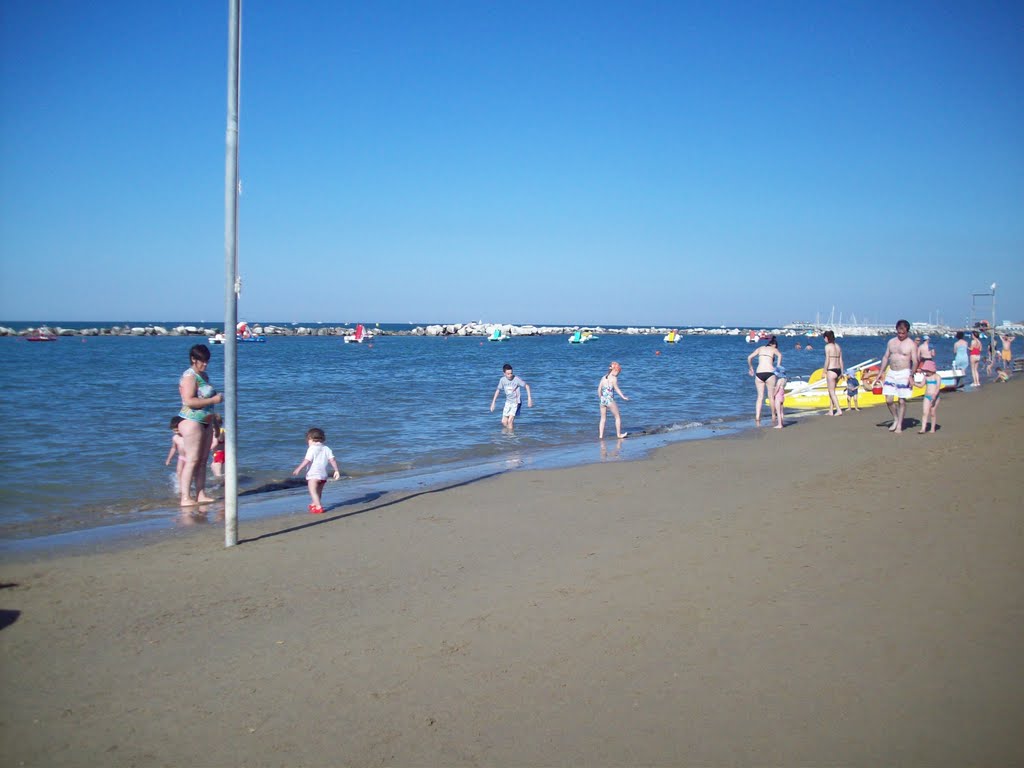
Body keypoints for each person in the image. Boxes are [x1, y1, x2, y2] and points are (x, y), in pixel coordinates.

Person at [177, 344, 223, 505]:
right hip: (192, 421)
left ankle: (200, 493)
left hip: (206, 421)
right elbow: (189, 400)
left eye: (207, 361)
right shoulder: (189, 377)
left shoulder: (204, 376)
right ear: (193, 359)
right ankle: (185, 497)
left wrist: (216, 426)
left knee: (203, 460)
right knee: (192, 460)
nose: (205, 364)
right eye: (202, 361)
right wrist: (213, 399)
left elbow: (209, 406)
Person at [878, 319, 919, 433]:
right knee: (889, 399)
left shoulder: (911, 344)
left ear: (907, 332)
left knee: (901, 400)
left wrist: (911, 375)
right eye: (899, 333)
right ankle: (895, 419)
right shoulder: (891, 342)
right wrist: (881, 371)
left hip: (904, 372)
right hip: (891, 371)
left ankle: (900, 425)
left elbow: (915, 361)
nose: (901, 335)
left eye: (903, 333)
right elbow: (886, 357)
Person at [292, 427, 341, 514]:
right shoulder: (326, 448)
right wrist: (336, 470)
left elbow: (307, 460)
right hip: (323, 475)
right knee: (318, 491)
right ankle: (314, 503)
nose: (308, 442)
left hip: (313, 475)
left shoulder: (312, 448)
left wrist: (299, 468)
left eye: (308, 440)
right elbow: (332, 460)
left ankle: (318, 506)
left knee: (313, 491)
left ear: (310, 439)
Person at [746, 335, 781, 425]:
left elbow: (749, 357)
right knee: (771, 396)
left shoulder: (760, 348)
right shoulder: (774, 349)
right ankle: (773, 415)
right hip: (770, 373)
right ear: (774, 345)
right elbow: (780, 356)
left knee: (760, 397)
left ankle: (757, 417)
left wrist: (751, 368)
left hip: (759, 373)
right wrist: (778, 367)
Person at [489, 363, 533, 429]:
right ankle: (509, 434)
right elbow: (498, 390)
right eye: (508, 374)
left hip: (516, 402)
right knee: (504, 422)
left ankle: (511, 437)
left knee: (510, 421)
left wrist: (529, 399)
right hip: (508, 402)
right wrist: (493, 403)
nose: (510, 375)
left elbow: (527, 386)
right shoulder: (502, 380)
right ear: (504, 373)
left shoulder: (516, 379)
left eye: (511, 373)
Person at [597, 361, 629, 439]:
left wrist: (601, 398)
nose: (618, 374)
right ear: (615, 370)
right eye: (618, 371)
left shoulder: (603, 377)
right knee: (617, 417)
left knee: (603, 418)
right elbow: (617, 389)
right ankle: (619, 434)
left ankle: (601, 436)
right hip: (610, 400)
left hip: (602, 400)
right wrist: (623, 397)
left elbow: (598, 390)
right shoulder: (614, 378)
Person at [822, 330, 845, 415]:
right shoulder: (838, 346)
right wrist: (842, 372)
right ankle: (831, 410)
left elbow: (827, 360)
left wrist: (824, 371)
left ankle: (839, 410)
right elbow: (841, 360)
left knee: (831, 392)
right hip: (838, 370)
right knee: (831, 391)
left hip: (831, 370)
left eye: (824, 338)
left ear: (827, 338)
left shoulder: (827, 346)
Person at [918, 360, 941, 434]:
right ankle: (923, 428)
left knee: (932, 412)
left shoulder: (937, 377)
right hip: (927, 396)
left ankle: (932, 428)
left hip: (935, 397)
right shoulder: (926, 377)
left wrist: (934, 395)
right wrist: (913, 383)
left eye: (927, 371)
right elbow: (921, 385)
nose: (926, 372)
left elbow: (937, 387)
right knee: (925, 412)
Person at [165, 416, 187, 493]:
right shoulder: (175, 438)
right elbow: (173, 448)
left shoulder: (187, 436)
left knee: (189, 474)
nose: (176, 432)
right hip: (181, 458)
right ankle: (181, 488)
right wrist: (169, 459)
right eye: (174, 430)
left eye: (178, 430)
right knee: (179, 472)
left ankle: (187, 486)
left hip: (190, 458)